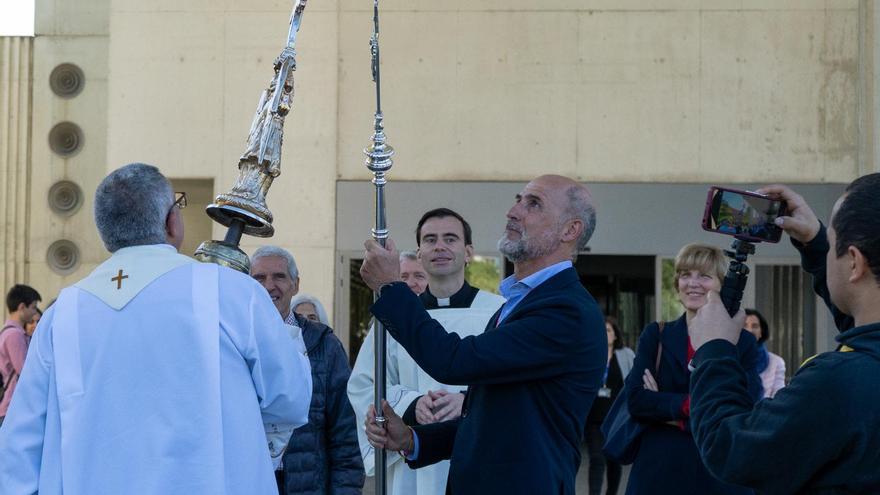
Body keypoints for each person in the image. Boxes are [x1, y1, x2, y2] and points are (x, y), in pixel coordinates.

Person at [0, 163, 312, 494]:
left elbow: (21, 449)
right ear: (171, 222)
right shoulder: (232, 293)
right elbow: (290, 398)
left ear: (105, 231)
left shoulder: (61, 314)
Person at [360, 175, 606, 495]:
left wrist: (391, 288)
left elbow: (454, 361)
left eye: (533, 204)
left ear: (570, 230)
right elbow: (493, 420)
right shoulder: (521, 304)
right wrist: (413, 439)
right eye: (519, 199)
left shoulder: (566, 312)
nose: (513, 211)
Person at [687, 175, 880, 493]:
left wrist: (715, 349)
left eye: (833, 246)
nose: (829, 253)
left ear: (855, 262)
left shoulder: (839, 383)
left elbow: (731, 449)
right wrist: (817, 241)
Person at [348, 208, 505, 495]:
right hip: (410, 453)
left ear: (468, 252)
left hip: (477, 451)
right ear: (419, 253)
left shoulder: (499, 311)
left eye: (450, 238)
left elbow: (512, 384)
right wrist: (411, 404)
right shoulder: (395, 315)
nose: (440, 246)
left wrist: (469, 402)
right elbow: (364, 384)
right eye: (430, 239)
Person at [620, 243, 762, 495]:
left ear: (722, 286)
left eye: (704, 276)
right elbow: (637, 400)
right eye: (685, 274)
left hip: (719, 475)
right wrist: (705, 408)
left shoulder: (744, 342)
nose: (692, 283)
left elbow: (746, 407)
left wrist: (667, 408)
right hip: (660, 471)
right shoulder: (657, 335)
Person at [250, 245, 364, 495]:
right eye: (259, 278)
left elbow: (345, 434)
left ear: (295, 284)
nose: (269, 286)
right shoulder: (233, 340)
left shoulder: (324, 344)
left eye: (279, 276)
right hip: (249, 481)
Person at [585, 317, 634, 495]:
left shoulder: (626, 354)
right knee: (597, 459)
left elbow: (634, 381)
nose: (604, 334)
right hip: (593, 418)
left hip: (616, 419)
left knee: (614, 460)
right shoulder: (590, 354)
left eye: (608, 330)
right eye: (602, 330)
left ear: (615, 335)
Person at [1, 284, 41, 426]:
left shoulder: (8, 331)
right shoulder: (15, 335)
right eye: (33, 307)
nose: (34, 312)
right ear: (22, 307)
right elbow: (25, 372)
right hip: (11, 406)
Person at [743, 308, 786, 398]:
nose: (750, 330)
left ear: (761, 333)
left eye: (755, 326)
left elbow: (778, 398)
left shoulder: (776, 362)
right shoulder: (728, 359)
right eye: (744, 325)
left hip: (765, 411)